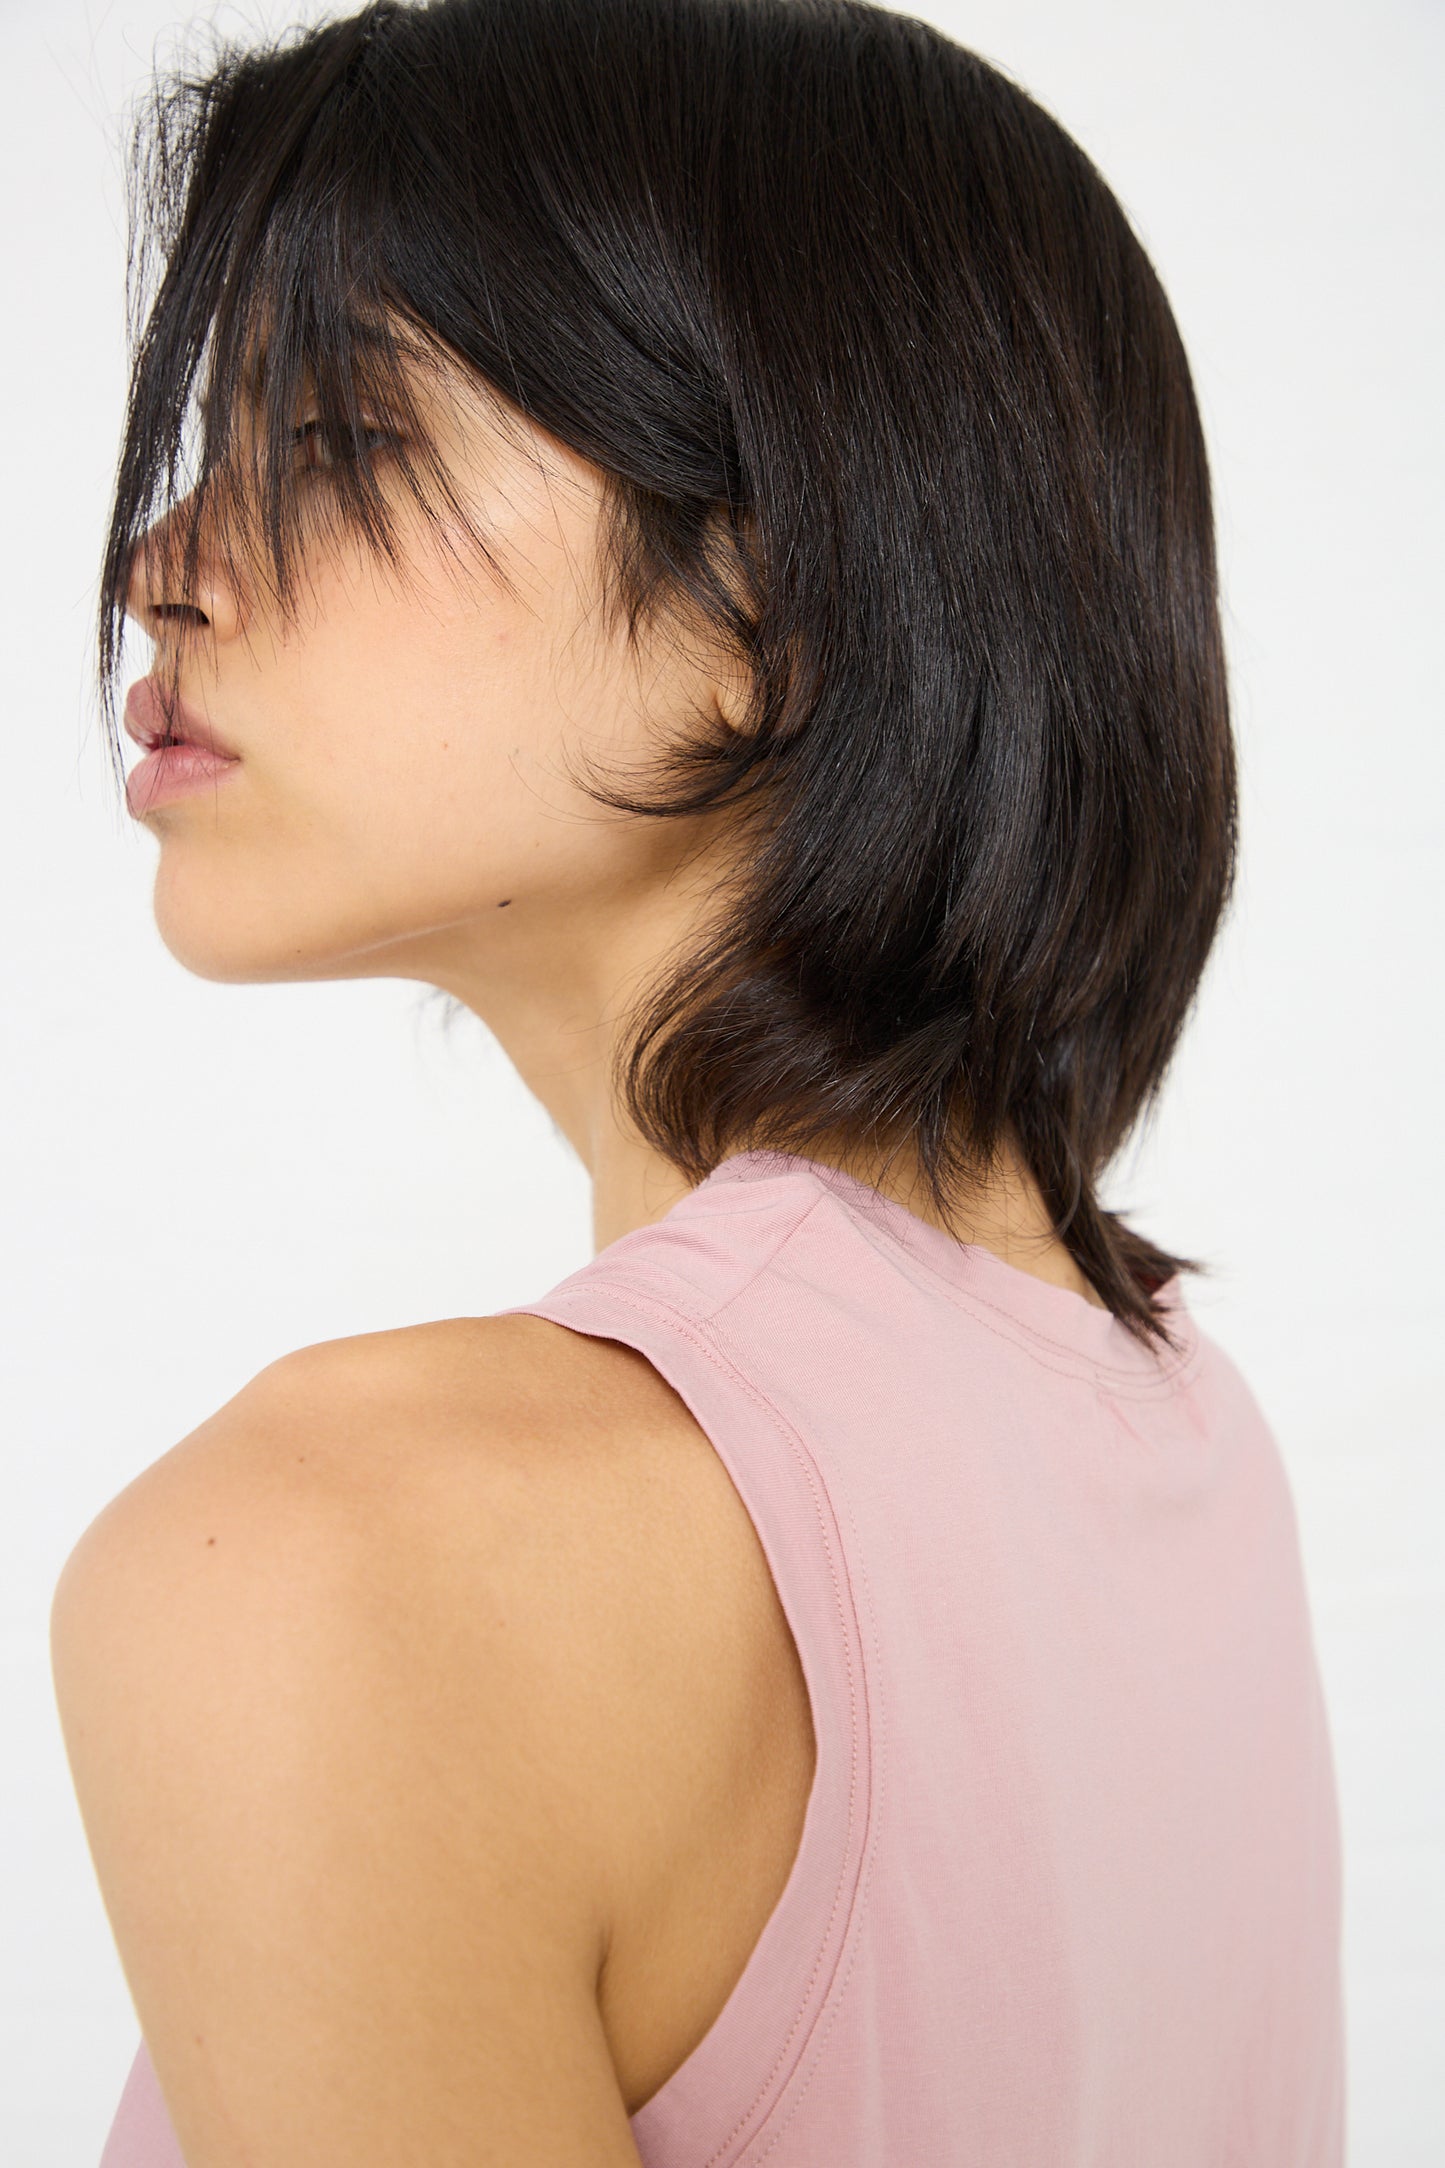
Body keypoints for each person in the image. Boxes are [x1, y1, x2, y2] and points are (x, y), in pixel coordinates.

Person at [50, 0, 1345, 2162]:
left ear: (782, 587)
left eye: (347, 440)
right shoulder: (1173, 1414)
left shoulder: (342, 1557)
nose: (159, 560)